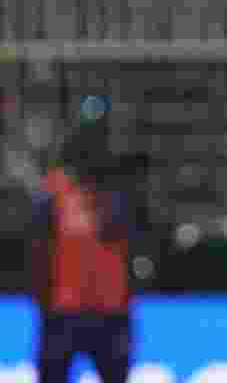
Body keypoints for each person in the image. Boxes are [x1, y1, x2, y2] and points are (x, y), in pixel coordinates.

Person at [27, 121, 145, 383]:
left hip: (110, 314)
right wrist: (41, 298)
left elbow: (135, 242)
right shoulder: (54, 192)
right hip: (63, 313)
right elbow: (37, 247)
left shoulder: (120, 194)